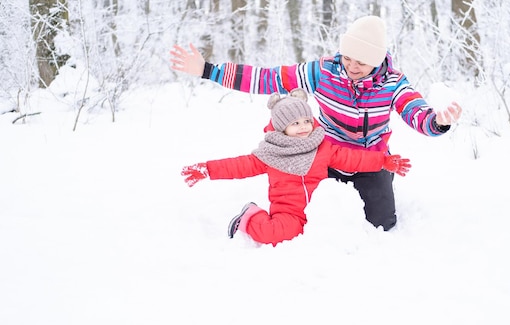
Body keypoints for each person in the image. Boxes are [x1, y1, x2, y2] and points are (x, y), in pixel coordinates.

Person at [171, 15, 462, 231]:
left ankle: (377, 188)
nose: (351, 66)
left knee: (381, 224)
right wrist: (209, 70)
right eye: (347, 57)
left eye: (361, 61)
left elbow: (414, 109)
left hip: (370, 161)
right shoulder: (323, 71)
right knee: (313, 225)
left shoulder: (393, 83)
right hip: (324, 158)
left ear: (378, 59)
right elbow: (268, 78)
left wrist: (436, 122)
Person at [180, 89, 411, 246]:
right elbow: (239, 166)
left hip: (321, 210)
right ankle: (248, 217)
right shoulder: (270, 154)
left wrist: (382, 161)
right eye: (295, 124)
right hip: (289, 212)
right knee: (274, 234)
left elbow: (352, 159)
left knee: (338, 237)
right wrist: (208, 170)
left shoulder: (322, 147)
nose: (303, 127)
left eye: (306, 121)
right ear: (282, 128)